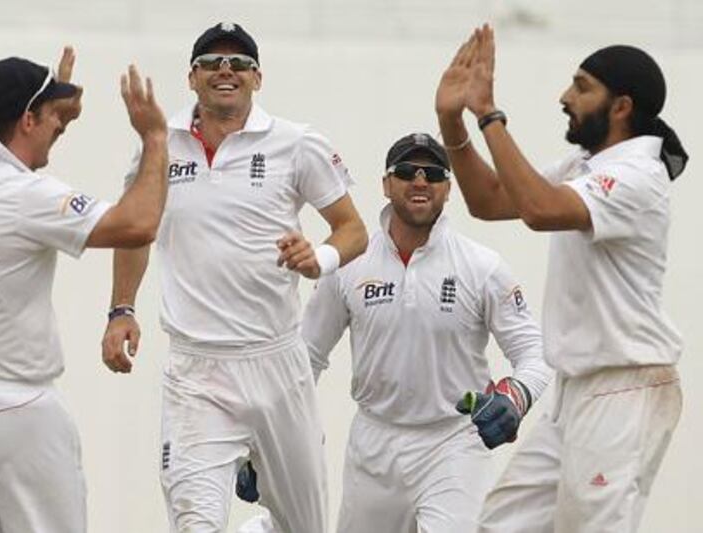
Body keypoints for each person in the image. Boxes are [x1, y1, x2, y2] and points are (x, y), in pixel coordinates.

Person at [101, 22, 368, 532]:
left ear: (257, 79)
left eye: (240, 63)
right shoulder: (160, 147)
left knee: (304, 525)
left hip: (276, 364)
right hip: (196, 372)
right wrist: (122, 310)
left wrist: (321, 259)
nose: (227, 70)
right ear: (193, 77)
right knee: (195, 523)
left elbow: (352, 229)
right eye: (213, 63)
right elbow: (136, 230)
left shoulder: (296, 143)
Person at [435, 25, 687, 532]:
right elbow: (489, 201)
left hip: (623, 389)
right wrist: (452, 121)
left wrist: (488, 113)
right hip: (576, 391)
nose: (565, 97)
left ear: (620, 107)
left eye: (581, 86)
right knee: (500, 526)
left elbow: (539, 209)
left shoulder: (638, 176)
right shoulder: (587, 162)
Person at [237, 132, 551, 533]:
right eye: (406, 171)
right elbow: (305, 359)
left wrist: (516, 395)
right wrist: (262, 443)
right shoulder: (350, 265)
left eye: (433, 173)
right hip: (374, 445)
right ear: (386, 184)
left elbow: (536, 353)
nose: (420, 181)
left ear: (448, 189)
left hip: (453, 442)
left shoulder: (482, 266)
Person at [0, 47, 168, 533]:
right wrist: (154, 137)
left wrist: (58, 117)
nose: (59, 123)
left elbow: (16, 183)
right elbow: (137, 225)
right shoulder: (27, 196)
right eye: (51, 115)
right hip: (17, 417)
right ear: (27, 119)